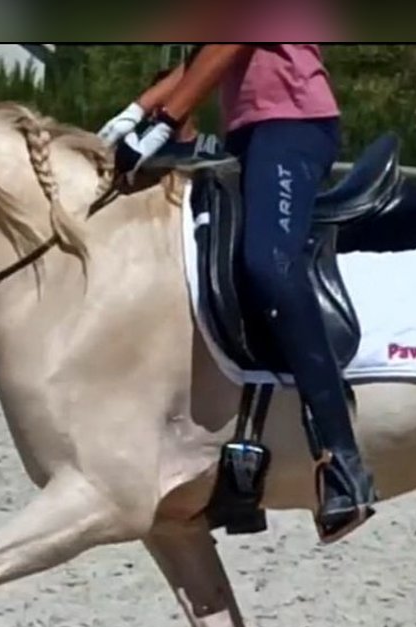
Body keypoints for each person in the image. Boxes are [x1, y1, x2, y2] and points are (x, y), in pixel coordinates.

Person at [97, 43, 378, 543]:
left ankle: (343, 461)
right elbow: (203, 59)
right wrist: (135, 112)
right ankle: (240, 459)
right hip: (246, 134)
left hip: (293, 125)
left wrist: (164, 122)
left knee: (269, 267)